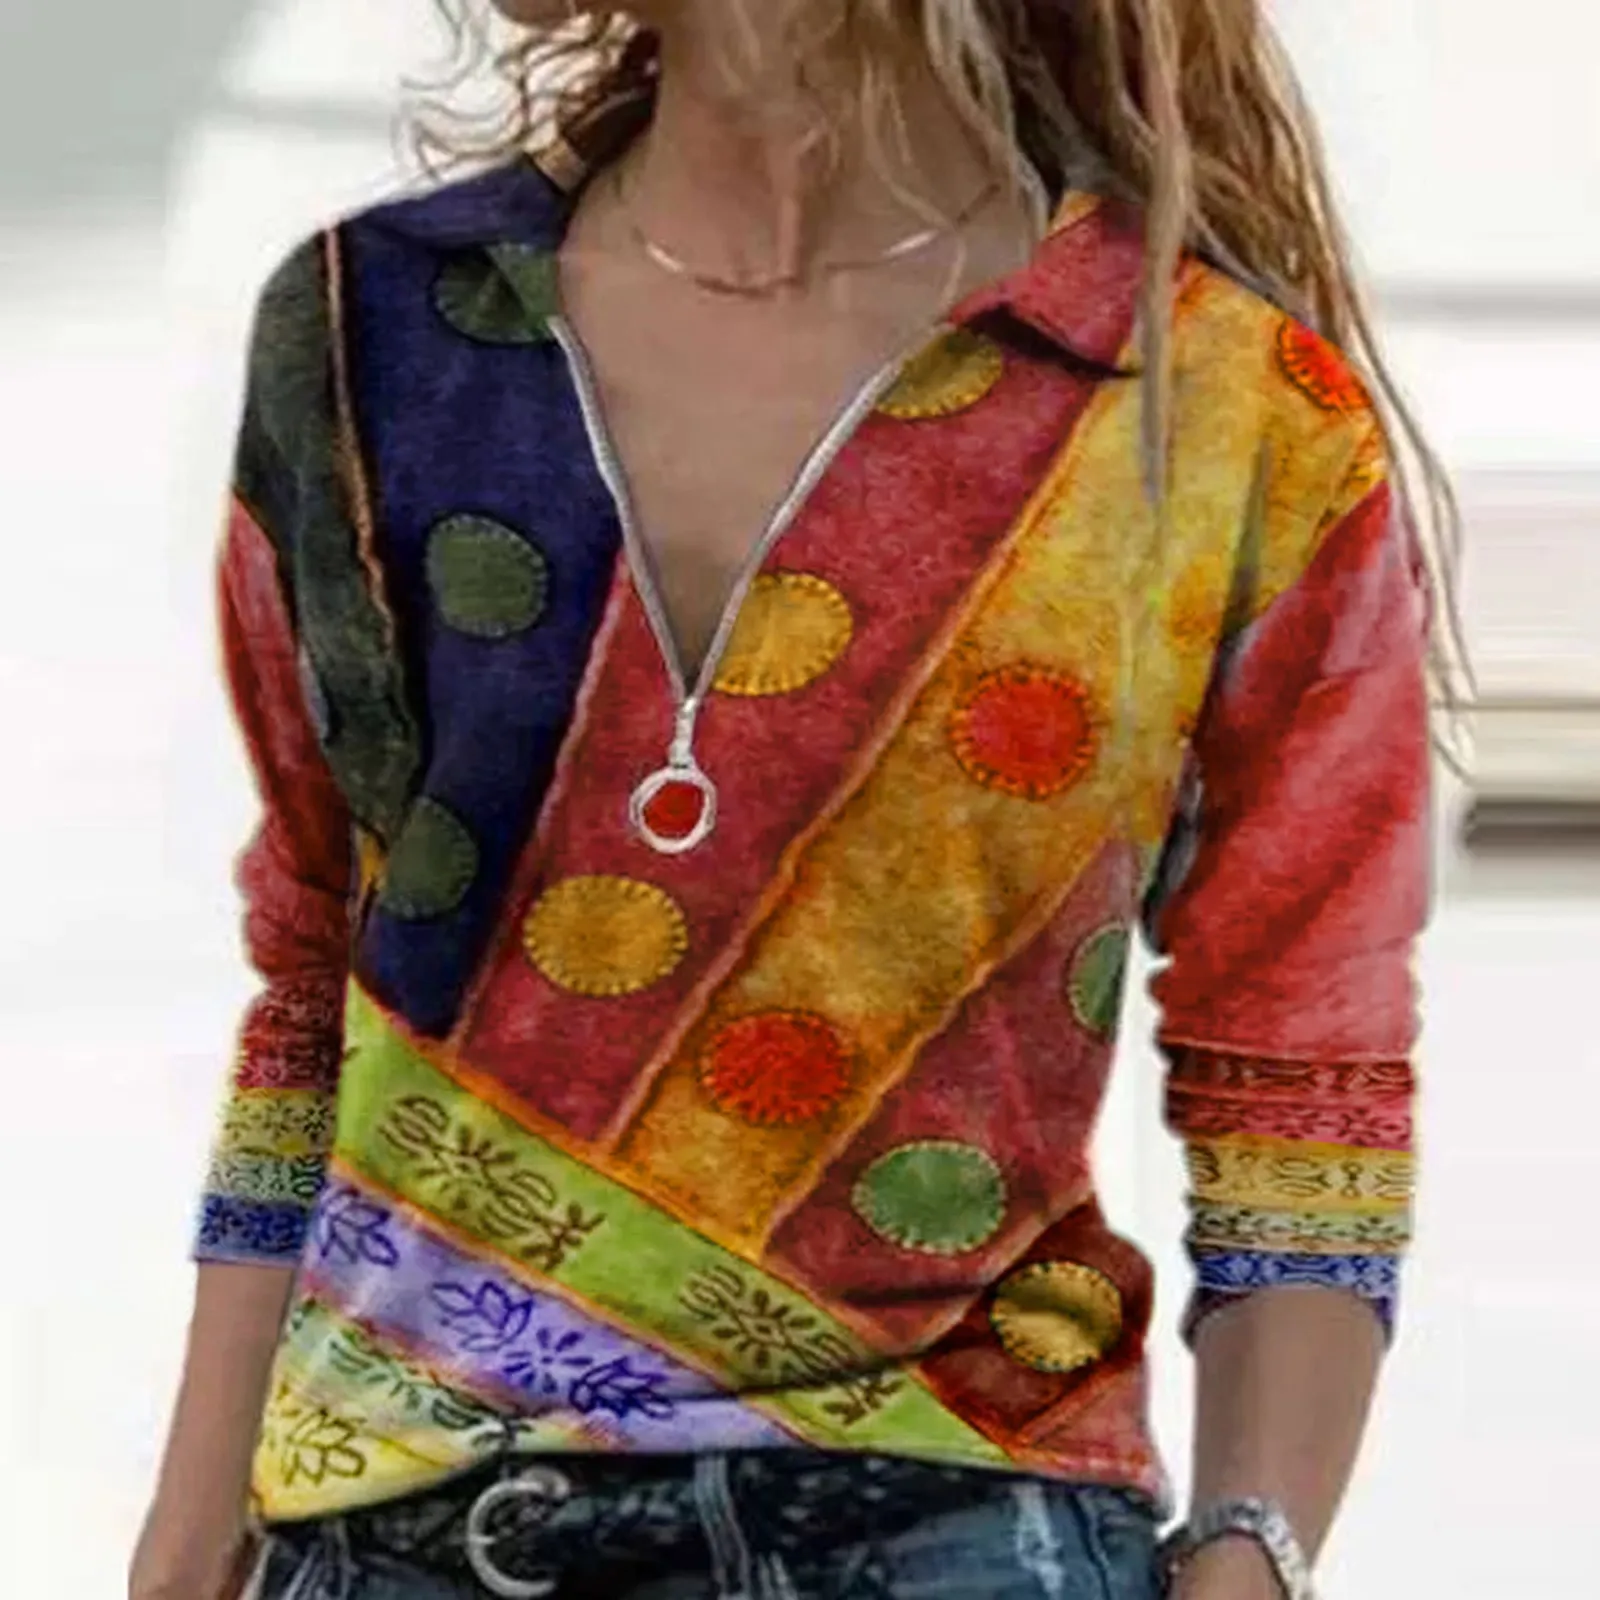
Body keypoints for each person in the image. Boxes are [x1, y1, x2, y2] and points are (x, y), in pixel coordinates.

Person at [132, 3, 1463, 1597]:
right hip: (406, 1534)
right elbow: (315, 978)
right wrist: (185, 1540)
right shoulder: (377, 332)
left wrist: (1253, 1548)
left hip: (963, 1526)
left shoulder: (1220, 400)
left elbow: (1303, 1062)